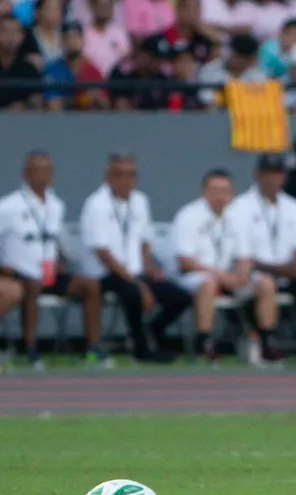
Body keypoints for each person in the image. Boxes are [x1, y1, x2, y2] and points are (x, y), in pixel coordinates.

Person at [0, 151, 105, 369]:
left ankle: (93, 347)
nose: (43, 175)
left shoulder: (56, 205)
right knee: (31, 285)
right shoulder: (8, 206)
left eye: (48, 170)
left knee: (90, 285)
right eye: (38, 170)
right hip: (21, 274)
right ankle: (31, 348)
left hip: (49, 272)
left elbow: (55, 238)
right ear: (26, 173)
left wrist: (60, 258)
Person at [79, 152, 187, 362]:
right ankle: (141, 349)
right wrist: (138, 283)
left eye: (130, 175)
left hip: (135, 271)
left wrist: (147, 267)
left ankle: (153, 330)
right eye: (119, 174)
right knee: (133, 294)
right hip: (105, 273)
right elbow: (103, 254)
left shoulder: (140, 201)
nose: (125, 180)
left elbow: (145, 239)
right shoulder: (96, 204)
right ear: (108, 176)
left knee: (179, 297)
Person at [173, 169, 275, 364]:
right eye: (215, 190)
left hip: (230, 277)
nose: (220, 196)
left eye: (225, 190)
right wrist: (223, 276)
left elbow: (244, 257)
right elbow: (186, 261)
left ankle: (266, 343)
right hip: (195, 276)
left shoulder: (239, 216)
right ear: (204, 192)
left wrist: (243, 274)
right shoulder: (188, 215)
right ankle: (205, 344)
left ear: (232, 193)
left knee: (266, 283)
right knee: (208, 283)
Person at [227, 154, 296, 364]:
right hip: (252, 275)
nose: (274, 180)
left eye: (279, 174)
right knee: (265, 283)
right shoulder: (240, 207)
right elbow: (246, 258)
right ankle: (267, 343)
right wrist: (282, 268)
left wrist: (294, 268)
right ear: (257, 175)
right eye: (269, 174)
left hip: (288, 273)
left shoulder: (294, 207)